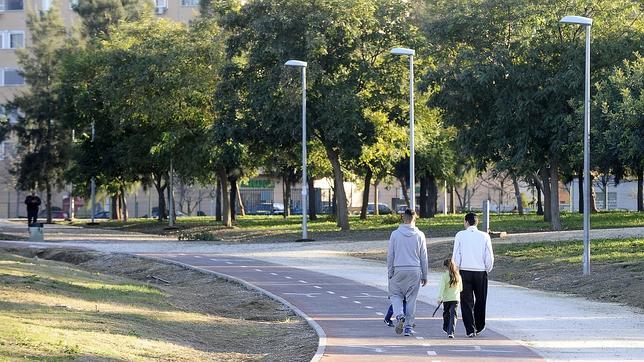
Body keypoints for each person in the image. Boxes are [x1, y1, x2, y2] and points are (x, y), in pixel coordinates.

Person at [387, 208, 428, 336]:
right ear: (414, 218)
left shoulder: (395, 234)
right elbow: (424, 256)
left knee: (395, 295)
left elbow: (390, 255)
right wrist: (424, 274)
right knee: (411, 299)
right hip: (414, 270)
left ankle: (399, 315)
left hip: (398, 268)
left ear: (403, 218)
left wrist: (390, 272)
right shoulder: (420, 235)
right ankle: (408, 327)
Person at [452, 212, 494, 337]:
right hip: (480, 272)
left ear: (466, 222)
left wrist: (456, 269)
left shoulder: (460, 235)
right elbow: (489, 255)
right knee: (481, 299)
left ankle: (470, 329)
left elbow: (456, 254)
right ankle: (479, 325)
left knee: (466, 301)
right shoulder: (485, 236)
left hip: (464, 271)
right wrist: (487, 268)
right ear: (477, 222)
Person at [437, 258, 463, 338]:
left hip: (446, 299)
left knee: (446, 314)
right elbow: (461, 288)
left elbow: (442, 287)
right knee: (453, 315)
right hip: (455, 298)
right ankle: (451, 331)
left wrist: (440, 297)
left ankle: (446, 328)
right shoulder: (458, 275)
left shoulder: (444, 276)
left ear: (445, 267)